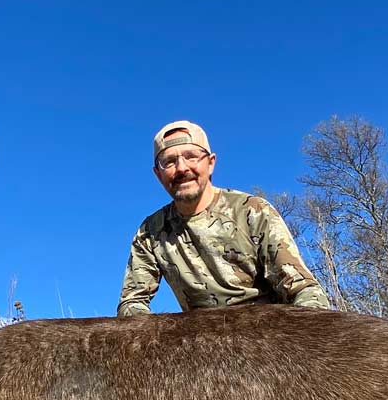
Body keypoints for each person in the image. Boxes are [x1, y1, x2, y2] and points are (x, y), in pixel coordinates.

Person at [117, 119, 331, 317]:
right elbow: (131, 303)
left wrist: (305, 339)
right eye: (169, 162)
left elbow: (304, 290)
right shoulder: (150, 231)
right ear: (158, 174)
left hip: (268, 336)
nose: (182, 168)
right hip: (200, 341)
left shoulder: (252, 210)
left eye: (191, 156)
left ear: (210, 163)